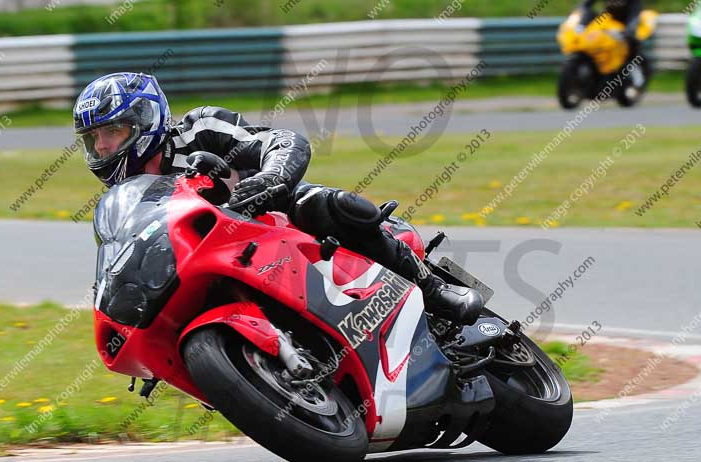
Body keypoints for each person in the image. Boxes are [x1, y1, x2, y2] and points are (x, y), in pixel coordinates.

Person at [73, 72, 483, 324]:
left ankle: (430, 288)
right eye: (94, 139)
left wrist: (272, 177)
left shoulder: (199, 129)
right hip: (215, 263)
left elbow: (282, 140)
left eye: (114, 131)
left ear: (145, 121)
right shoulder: (125, 200)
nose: (105, 147)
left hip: (274, 220)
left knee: (327, 204)